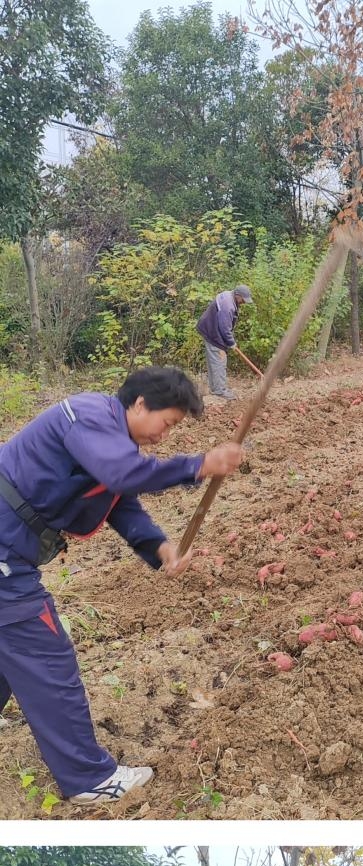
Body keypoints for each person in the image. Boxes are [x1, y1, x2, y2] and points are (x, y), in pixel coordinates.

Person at [0, 366, 244, 804]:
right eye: (167, 423)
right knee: (45, 654)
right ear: (138, 404)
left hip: (10, 551)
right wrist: (199, 465)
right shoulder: (89, 415)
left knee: (8, 648)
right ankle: (88, 780)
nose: (165, 436)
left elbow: (121, 503)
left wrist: (160, 548)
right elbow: (124, 476)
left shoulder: (110, 439)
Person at [195, 284, 253, 402]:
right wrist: (231, 343)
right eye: (243, 299)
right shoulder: (228, 306)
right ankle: (219, 391)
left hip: (211, 329)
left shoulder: (229, 296)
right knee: (219, 360)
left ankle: (215, 388)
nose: (244, 302)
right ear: (237, 295)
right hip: (213, 332)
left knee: (215, 360)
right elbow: (225, 328)